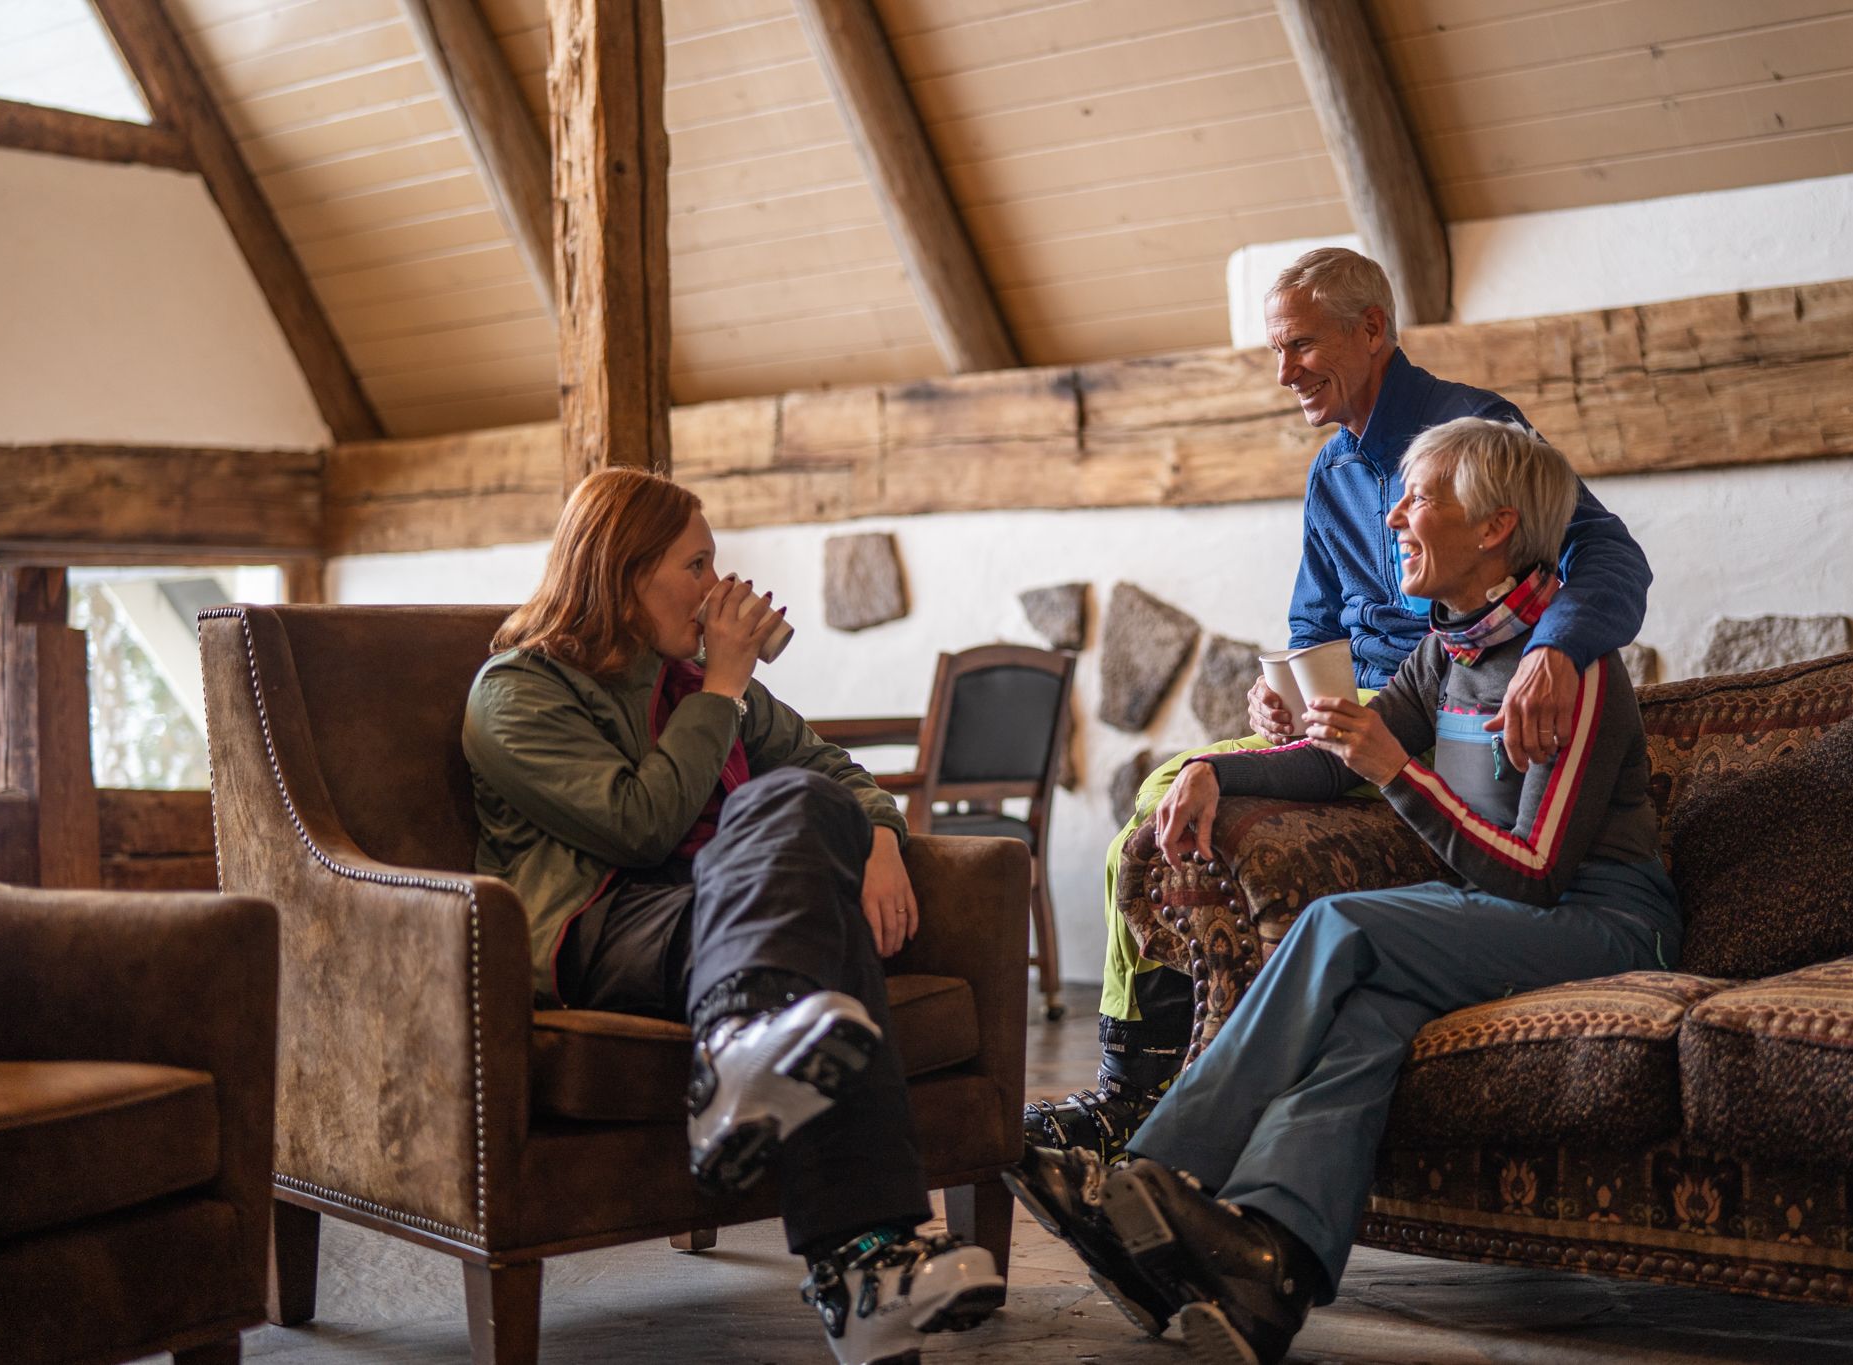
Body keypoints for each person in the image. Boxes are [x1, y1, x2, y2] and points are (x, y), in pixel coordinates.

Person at [1010, 417, 1680, 1364]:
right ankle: (1266, 1271)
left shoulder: (1570, 675)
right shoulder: (1445, 651)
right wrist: (1217, 767)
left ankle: (1155, 1166)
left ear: (1494, 527)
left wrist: (1402, 772)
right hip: (1493, 916)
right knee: (1367, 1016)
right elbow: (1333, 767)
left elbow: (1534, 875)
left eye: (1421, 498)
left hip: (1606, 925)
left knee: (1340, 923)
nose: (1396, 516)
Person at [1026, 247, 1655, 1163]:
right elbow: (1311, 629)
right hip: (1368, 704)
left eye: (1300, 346)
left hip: (1433, 710)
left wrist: (1554, 649)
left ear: (1372, 331)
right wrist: (1273, 696)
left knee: (1171, 777)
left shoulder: (1474, 432)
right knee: (1182, 782)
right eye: (1275, 352)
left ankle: (1140, 1105)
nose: (1283, 373)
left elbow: (1606, 555)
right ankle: (1149, 1102)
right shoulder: (1330, 472)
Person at [461, 468, 1001, 1365]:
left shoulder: (699, 680)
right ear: (623, 572)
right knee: (805, 901)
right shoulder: (517, 692)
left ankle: (752, 1063)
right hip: (597, 925)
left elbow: (837, 771)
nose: (718, 584)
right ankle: (861, 1253)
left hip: (722, 913)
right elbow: (638, 827)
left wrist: (877, 841)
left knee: (801, 812)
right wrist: (721, 684)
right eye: (696, 562)